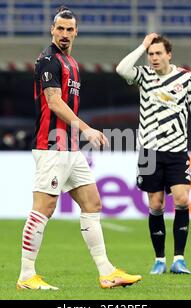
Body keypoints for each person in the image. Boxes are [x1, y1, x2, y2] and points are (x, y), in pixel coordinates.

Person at [16, 6, 142, 290]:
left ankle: (107, 272)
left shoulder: (70, 62)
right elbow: (54, 102)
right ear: (52, 30)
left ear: (76, 32)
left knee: (92, 203)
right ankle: (26, 276)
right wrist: (85, 128)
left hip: (70, 148)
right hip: (51, 145)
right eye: (59, 28)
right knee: (43, 208)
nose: (63, 33)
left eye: (69, 29)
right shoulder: (48, 60)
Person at [116, 33, 191, 275]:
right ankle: (159, 259)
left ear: (169, 55)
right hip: (149, 152)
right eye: (151, 54)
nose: (154, 57)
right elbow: (121, 69)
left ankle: (179, 258)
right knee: (155, 204)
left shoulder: (186, 78)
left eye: (158, 53)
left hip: (177, 150)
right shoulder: (145, 76)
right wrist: (142, 46)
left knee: (182, 199)